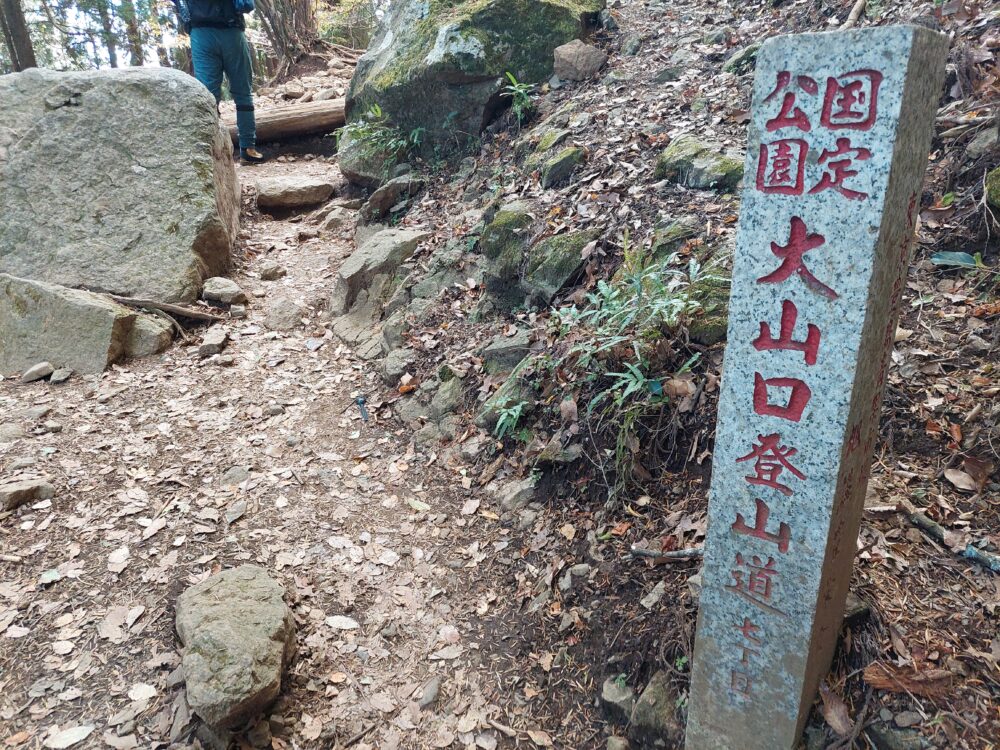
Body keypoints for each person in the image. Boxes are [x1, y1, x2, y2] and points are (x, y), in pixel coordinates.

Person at [176, 0, 265, 164]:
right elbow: (247, 5)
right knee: (242, 92)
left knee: (208, 97)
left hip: (200, 33)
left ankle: (211, 151)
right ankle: (247, 148)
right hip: (231, 30)